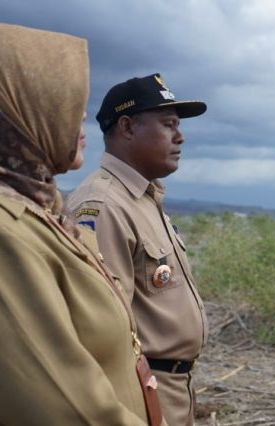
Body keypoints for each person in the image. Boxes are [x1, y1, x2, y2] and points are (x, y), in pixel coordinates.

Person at [0, 24, 157, 425]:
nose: (82, 117)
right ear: (20, 112)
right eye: (64, 98)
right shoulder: (7, 233)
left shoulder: (45, 213)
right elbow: (68, 410)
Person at [67, 73, 209, 426]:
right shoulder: (102, 204)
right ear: (127, 127)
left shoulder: (144, 198)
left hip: (173, 388)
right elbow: (101, 332)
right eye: (168, 124)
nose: (180, 136)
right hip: (140, 394)